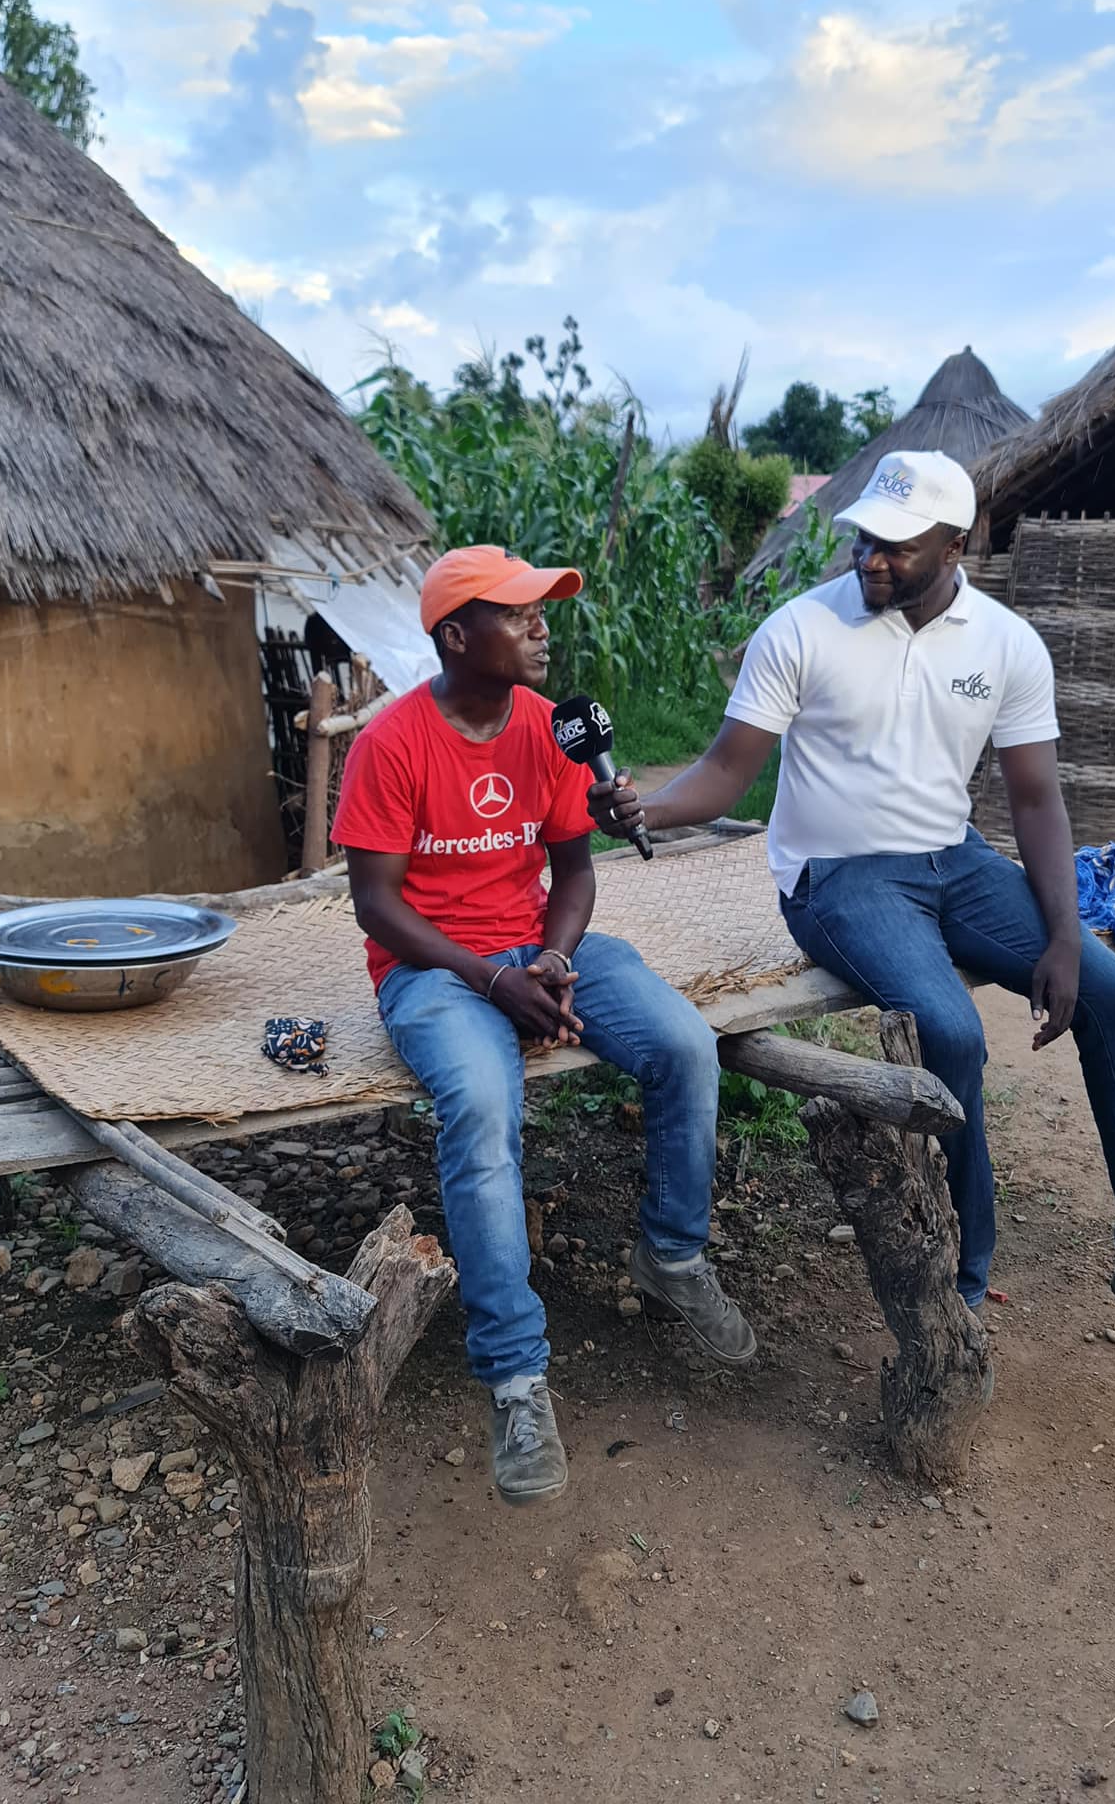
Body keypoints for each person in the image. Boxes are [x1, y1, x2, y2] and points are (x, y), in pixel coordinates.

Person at [589, 452, 1115, 1369]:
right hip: (837, 877)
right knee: (950, 1031)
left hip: (955, 862)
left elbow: (1036, 802)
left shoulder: (1004, 643)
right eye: (866, 541)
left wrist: (1066, 937)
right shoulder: (799, 631)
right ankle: (960, 1274)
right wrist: (647, 808)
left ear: (958, 547)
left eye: (897, 548)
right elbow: (725, 771)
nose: (871, 561)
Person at [332, 545, 756, 1509]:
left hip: (539, 949)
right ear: (454, 635)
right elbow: (376, 905)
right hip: (434, 969)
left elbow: (574, 871)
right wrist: (493, 979)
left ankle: (673, 1255)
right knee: (483, 1108)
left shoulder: (552, 731)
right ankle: (517, 1378)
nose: (542, 628)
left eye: (542, 612)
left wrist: (554, 963)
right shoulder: (392, 744)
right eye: (519, 614)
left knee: (685, 1045)